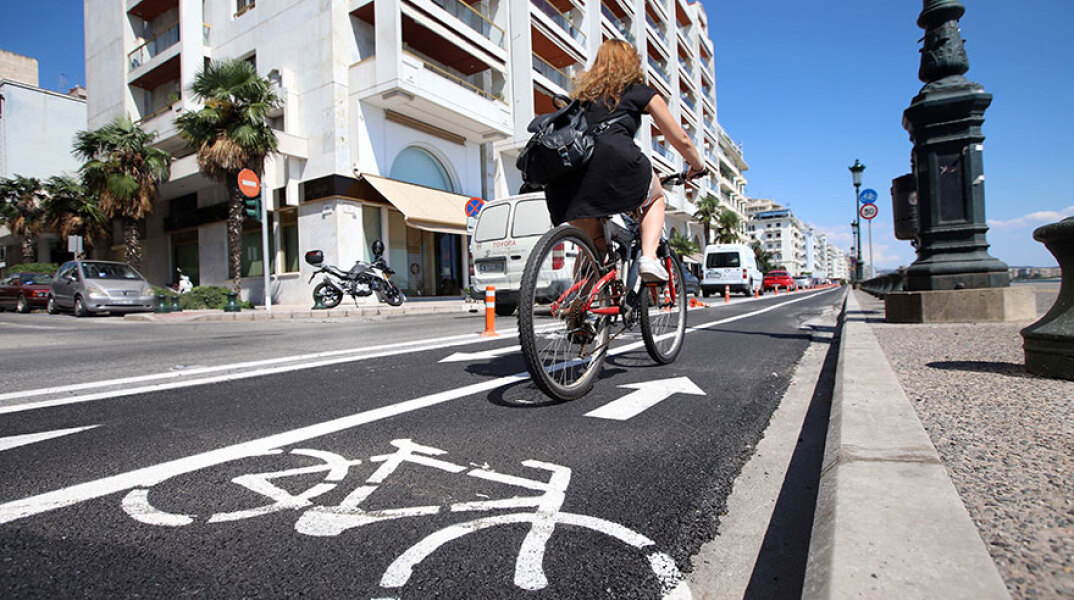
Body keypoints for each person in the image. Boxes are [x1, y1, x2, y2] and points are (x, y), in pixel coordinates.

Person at [543, 39, 706, 281]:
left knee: (593, 250)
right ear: (632, 64)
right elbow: (680, 138)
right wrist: (697, 166)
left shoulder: (581, 99)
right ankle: (649, 258)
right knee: (656, 195)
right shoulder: (639, 92)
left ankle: (577, 308)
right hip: (617, 162)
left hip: (569, 180)